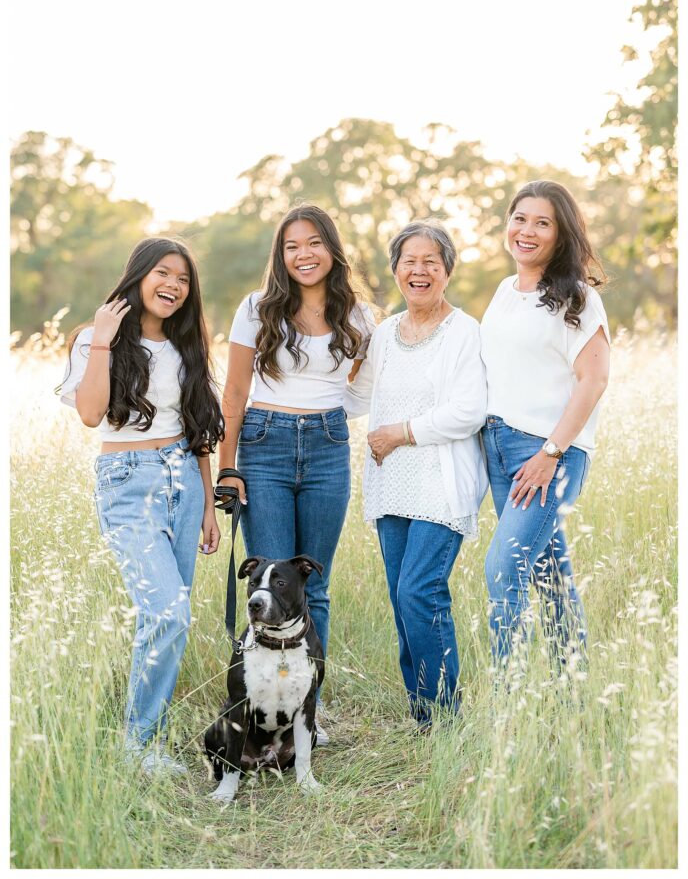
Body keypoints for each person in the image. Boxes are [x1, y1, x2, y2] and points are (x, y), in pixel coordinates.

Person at [60, 237, 224, 772]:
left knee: (166, 618)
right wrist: (104, 340)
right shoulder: (94, 340)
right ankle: (138, 744)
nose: (173, 285)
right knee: (168, 613)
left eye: (182, 279)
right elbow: (89, 414)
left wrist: (205, 506)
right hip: (128, 481)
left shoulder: (186, 348)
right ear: (138, 276)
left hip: (186, 481)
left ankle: (146, 735)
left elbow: (199, 431)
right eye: (162, 273)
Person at [217, 204, 374, 745]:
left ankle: (306, 714)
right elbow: (235, 392)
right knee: (268, 585)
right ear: (280, 256)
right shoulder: (258, 308)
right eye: (291, 246)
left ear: (331, 249)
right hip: (264, 445)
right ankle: (260, 712)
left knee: (316, 588)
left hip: (329, 445)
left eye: (313, 243)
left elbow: (361, 391)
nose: (303, 255)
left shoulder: (357, 315)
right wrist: (228, 465)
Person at [344, 221, 488, 730]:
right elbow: (358, 399)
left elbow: (468, 411)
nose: (419, 270)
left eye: (431, 261)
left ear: (447, 270)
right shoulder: (383, 333)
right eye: (409, 261)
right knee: (400, 597)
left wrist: (399, 432)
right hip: (392, 486)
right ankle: (422, 712)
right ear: (396, 270)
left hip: (440, 487)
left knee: (419, 592)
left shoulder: (464, 331)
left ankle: (445, 716)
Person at [480, 179, 610, 675]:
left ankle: (511, 699)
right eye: (520, 218)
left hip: (548, 451)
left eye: (542, 223)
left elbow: (594, 378)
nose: (527, 231)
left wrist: (551, 451)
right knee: (550, 574)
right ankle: (570, 690)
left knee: (504, 567)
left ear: (561, 235)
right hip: (499, 444)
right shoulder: (503, 292)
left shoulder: (575, 298)